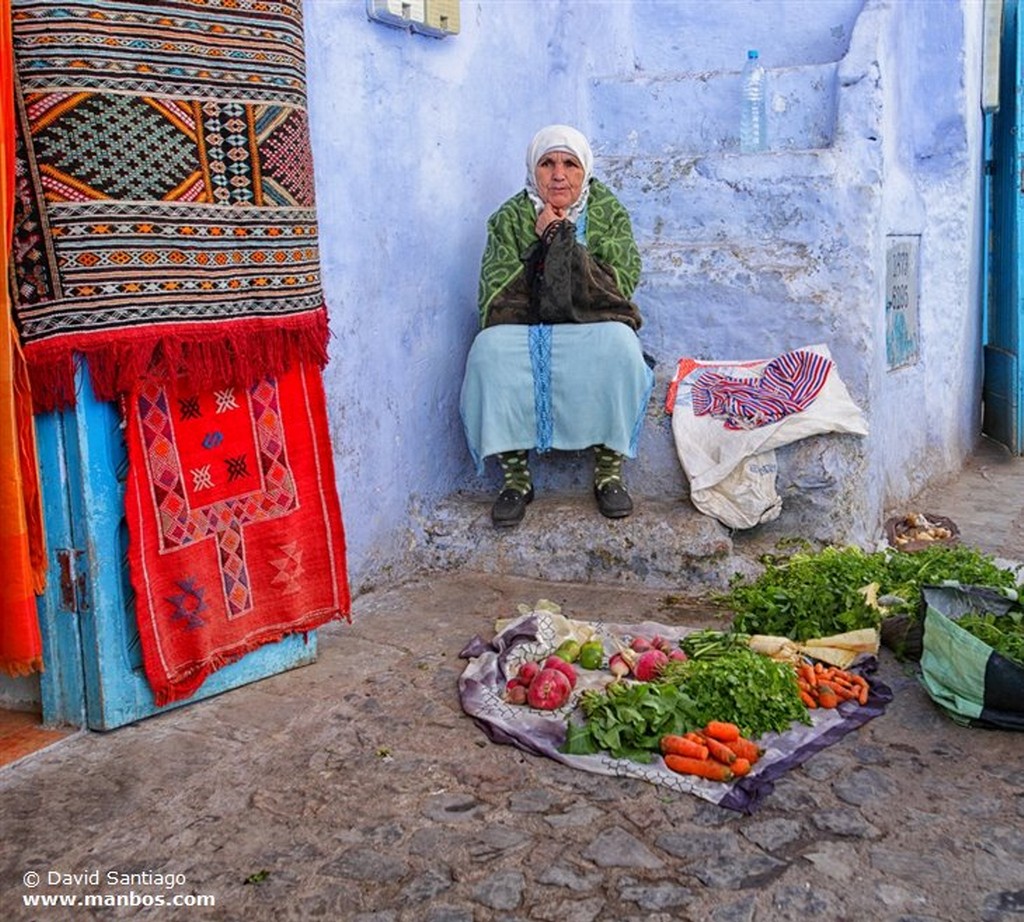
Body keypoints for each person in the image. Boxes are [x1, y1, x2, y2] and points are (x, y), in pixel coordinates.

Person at [460, 124, 654, 527]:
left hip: (594, 325)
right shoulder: (509, 218)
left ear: (585, 171)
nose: (558, 174)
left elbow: (619, 283)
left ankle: (608, 473)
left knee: (620, 345)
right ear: (534, 170)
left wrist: (559, 237)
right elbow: (495, 294)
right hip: (526, 327)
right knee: (488, 351)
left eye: (570, 164)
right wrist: (545, 250)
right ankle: (515, 479)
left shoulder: (606, 211)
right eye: (548, 163)